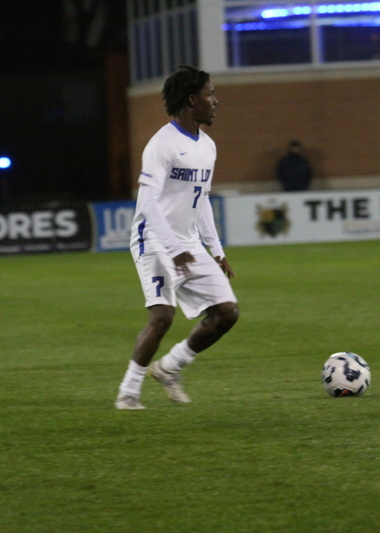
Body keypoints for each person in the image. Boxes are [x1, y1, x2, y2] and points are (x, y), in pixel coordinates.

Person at [115, 65, 240, 410]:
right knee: (163, 316)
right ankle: (128, 393)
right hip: (153, 239)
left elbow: (201, 201)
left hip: (186, 244)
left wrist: (215, 250)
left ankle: (170, 367)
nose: (216, 101)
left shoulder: (208, 147)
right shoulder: (162, 144)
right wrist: (171, 248)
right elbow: (147, 201)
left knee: (227, 312)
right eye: (210, 94)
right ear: (191, 99)